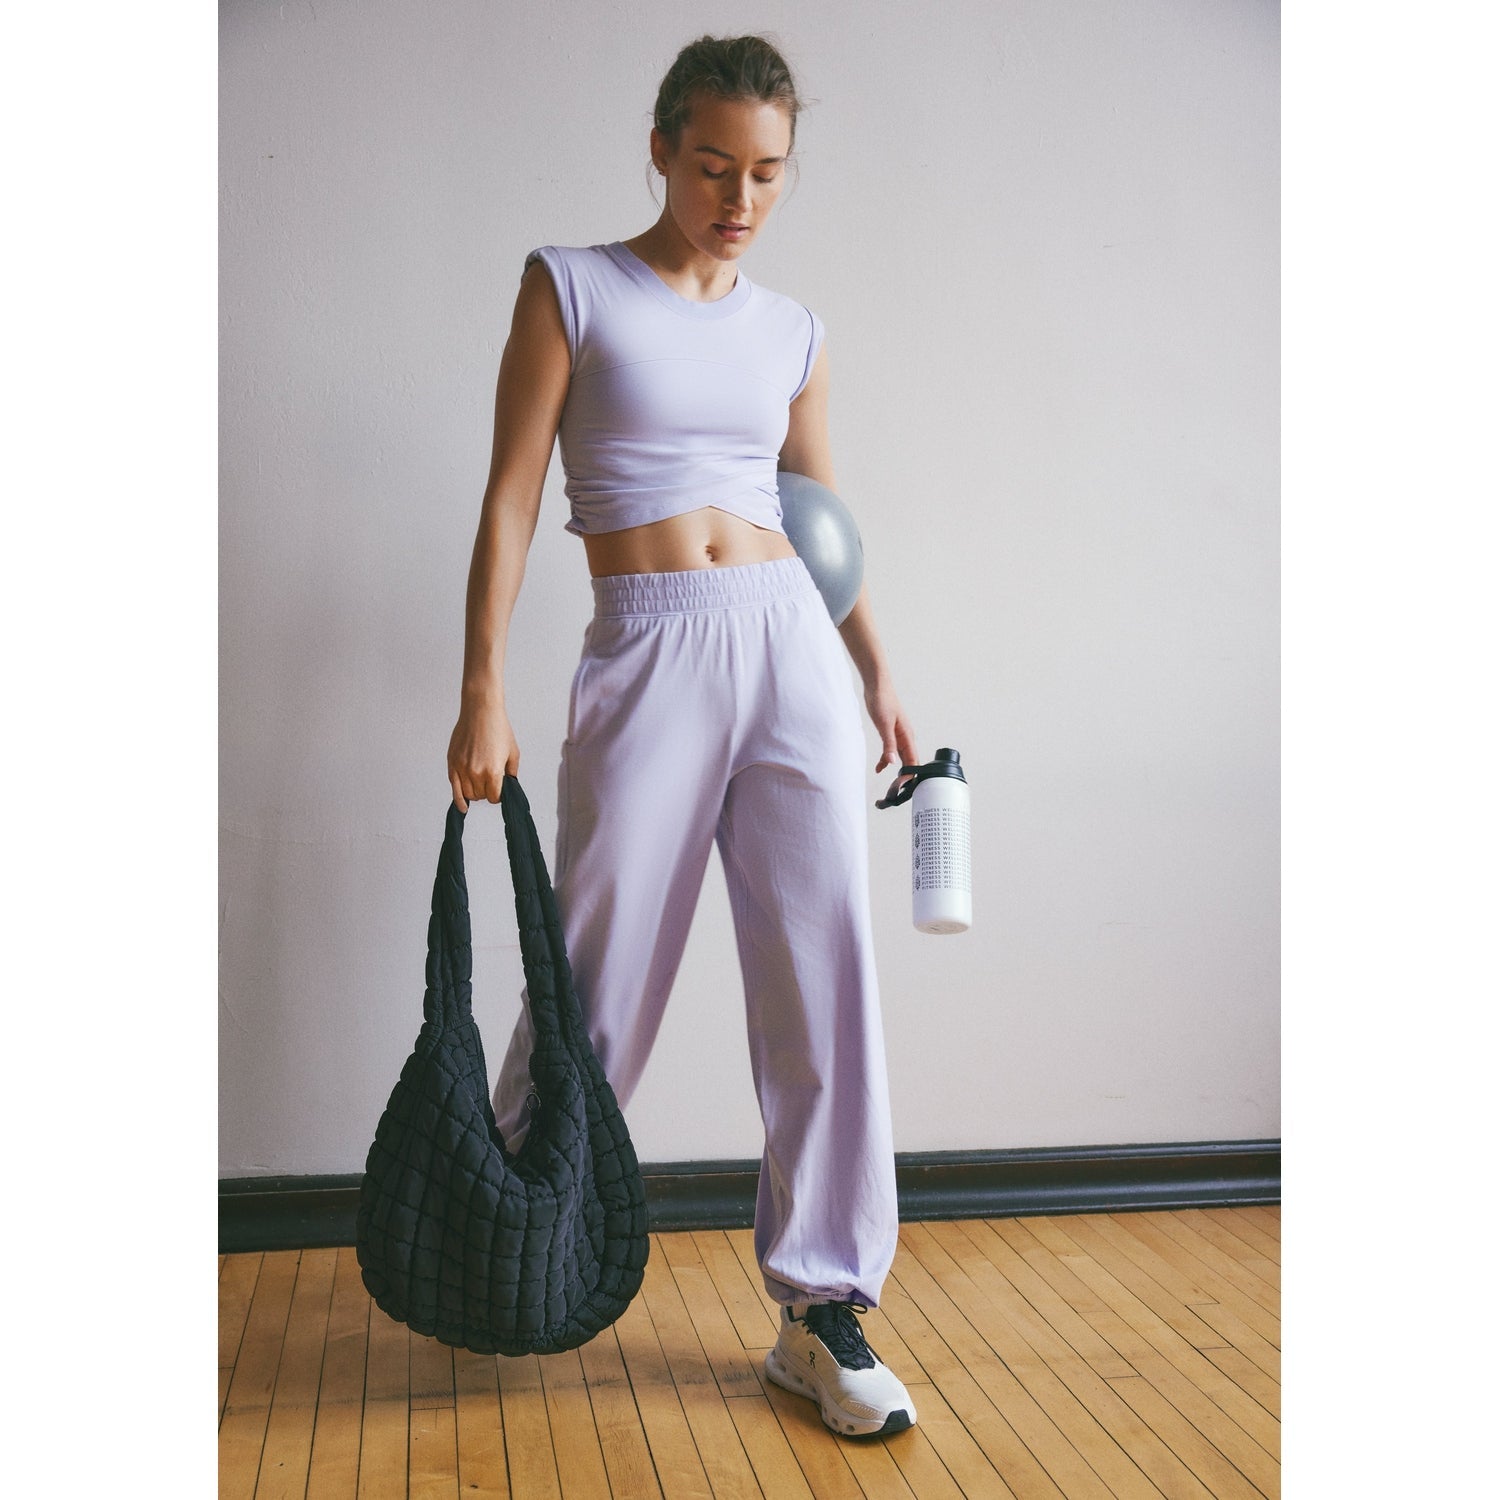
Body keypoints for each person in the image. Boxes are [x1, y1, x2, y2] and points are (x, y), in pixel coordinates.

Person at [446, 33, 921, 1439]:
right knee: (596, 978)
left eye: (767, 172)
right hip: (650, 642)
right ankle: (506, 1237)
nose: (739, 198)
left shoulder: (793, 331)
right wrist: (482, 685)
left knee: (824, 978)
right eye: (713, 165)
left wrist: (878, 668)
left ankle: (822, 1310)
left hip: (789, 647)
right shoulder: (571, 286)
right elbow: (511, 498)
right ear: (661, 148)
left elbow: (821, 519)